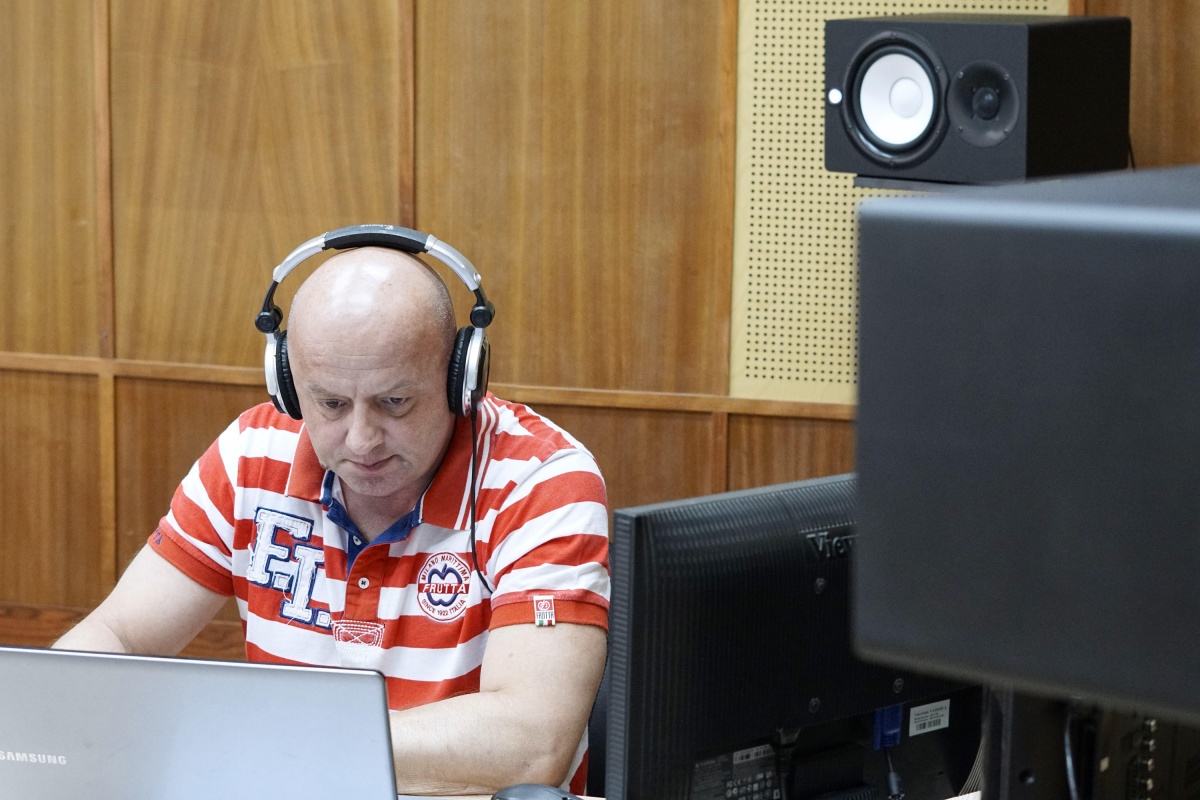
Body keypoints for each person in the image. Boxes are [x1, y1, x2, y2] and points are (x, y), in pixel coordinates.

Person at [54, 244, 611, 795]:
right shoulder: (252, 454)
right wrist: (47, 719)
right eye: (331, 404)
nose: (362, 440)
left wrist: (277, 742)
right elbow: (118, 635)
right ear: (289, 386)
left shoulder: (540, 483)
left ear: (459, 379)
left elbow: (532, 743)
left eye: (395, 402)